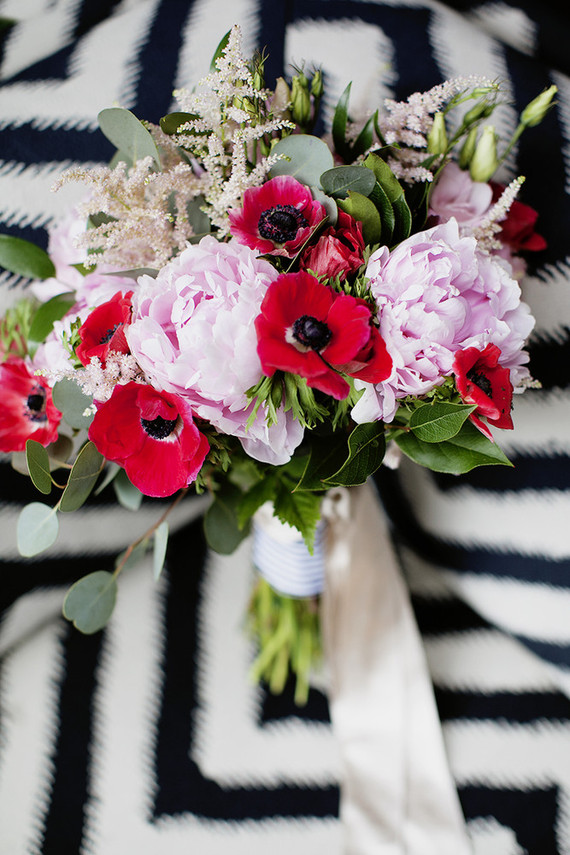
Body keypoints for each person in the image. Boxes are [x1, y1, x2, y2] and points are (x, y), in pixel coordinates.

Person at [0, 2, 568, 853]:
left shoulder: (324, 320)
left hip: (323, 363)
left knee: (303, 504)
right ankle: (290, 639)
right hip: (268, 387)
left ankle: (302, 634)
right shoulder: (186, 335)